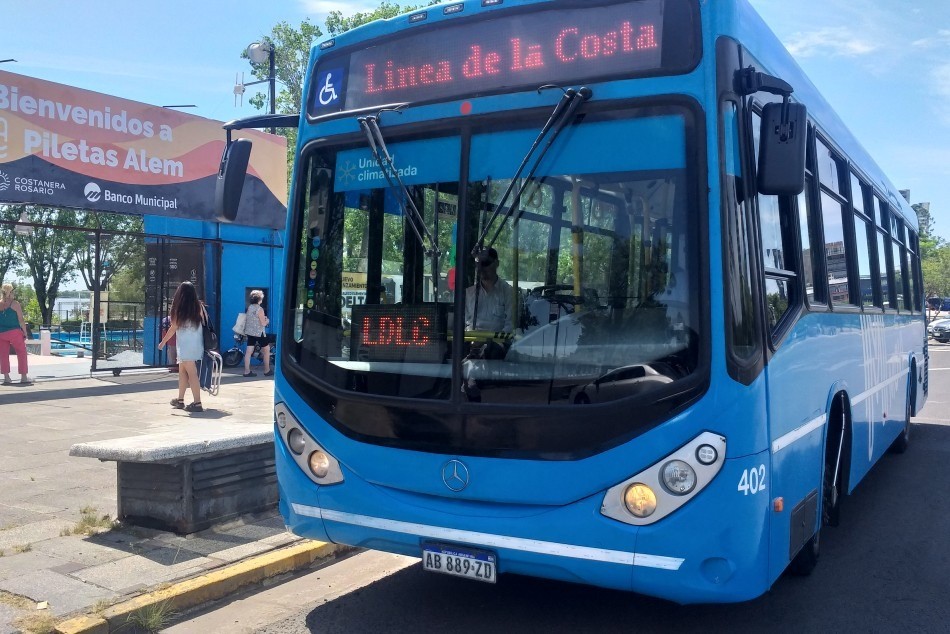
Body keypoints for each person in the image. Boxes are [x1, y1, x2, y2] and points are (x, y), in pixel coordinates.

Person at [462, 248, 513, 402]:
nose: (481, 269)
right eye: (478, 264)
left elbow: (510, 325)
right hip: (473, 343)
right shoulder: (469, 293)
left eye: (485, 263)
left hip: (496, 344)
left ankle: (471, 381)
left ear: (497, 263)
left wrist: (489, 341)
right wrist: (472, 339)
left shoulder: (508, 292)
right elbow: (465, 323)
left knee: (490, 350)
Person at [157, 281, 205, 412]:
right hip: (195, 344)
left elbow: (173, 328)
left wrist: (162, 342)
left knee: (192, 374)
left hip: (185, 346)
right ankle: (180, 400)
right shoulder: (198, 307)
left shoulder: (179, 309)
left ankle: (197, 403)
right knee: (183, 372)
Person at [0, 283, 32, 385]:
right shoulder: (15, 304)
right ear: (11, 292)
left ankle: (6, 377)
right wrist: (25, 332)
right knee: (22, 353)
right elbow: (21, 320)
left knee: (3, 355)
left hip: (1, 333)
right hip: (15, 332)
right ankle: (23, 377)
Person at [242, 289, 272, 378]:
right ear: (259, 299)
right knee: (267, 350)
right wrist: (267, 321)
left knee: (248, 352)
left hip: (250, 332)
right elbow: (263, 323)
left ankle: (246, 371)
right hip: (259, 333)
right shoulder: (260, 309)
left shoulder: (250, 308)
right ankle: (267, 370)